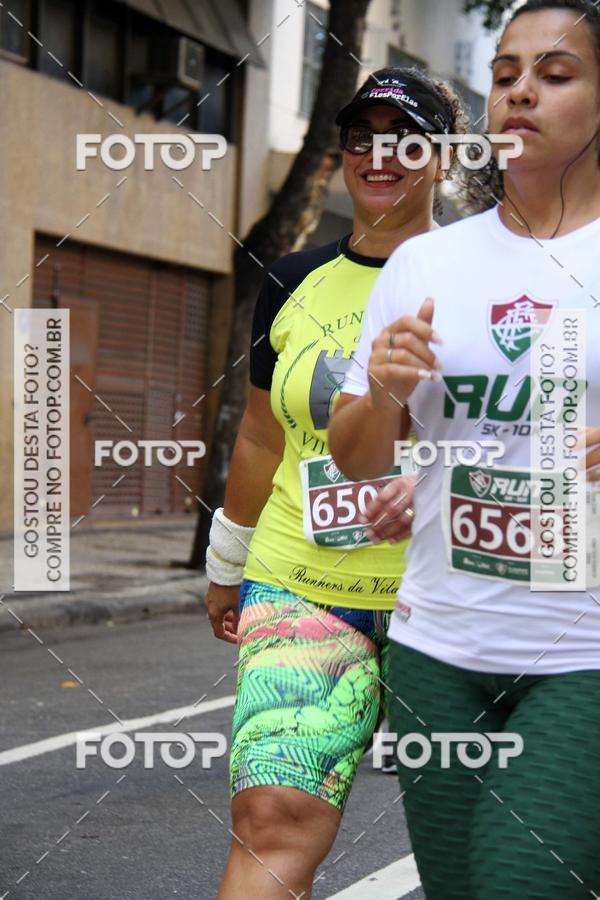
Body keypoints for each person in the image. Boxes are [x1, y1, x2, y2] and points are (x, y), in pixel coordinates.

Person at [329, 2, 600, 898]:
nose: (522, 91)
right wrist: (387, 393)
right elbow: (363, 458)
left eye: (556, 75)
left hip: (583, 655)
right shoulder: (425, 264)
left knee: (523, 881)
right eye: (507, 73)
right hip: (437, 648)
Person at [204, 67, 467, 899]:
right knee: (273, 816)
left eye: (404, 137)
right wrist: (226, 560)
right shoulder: (291, 279)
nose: (378, 155)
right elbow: (259, 432)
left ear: (445, 156)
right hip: (301, 585)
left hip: (454, 598)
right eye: (362, 137)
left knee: (479, 845)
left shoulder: (492, 276)